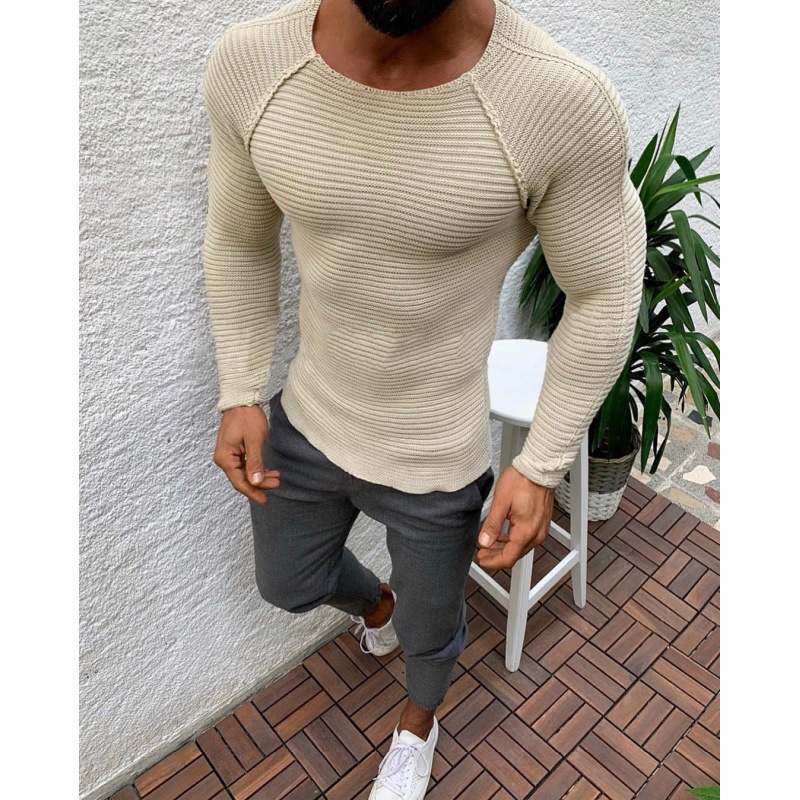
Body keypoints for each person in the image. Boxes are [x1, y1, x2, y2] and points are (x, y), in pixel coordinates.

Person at [201, 0, 647, 796]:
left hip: (438, 454)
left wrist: (540, 464)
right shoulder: (253, 63)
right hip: (308, 417)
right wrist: (239, 387)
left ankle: (417, 726)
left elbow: (605, 292)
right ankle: (376, 611)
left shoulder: (556, 99)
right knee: (288, 583)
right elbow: (239, 236)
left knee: (432, 632)